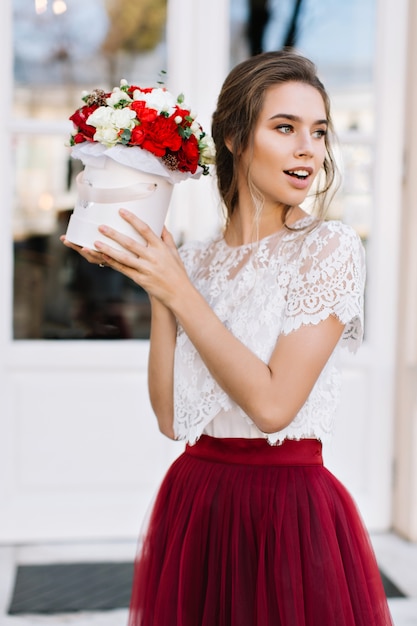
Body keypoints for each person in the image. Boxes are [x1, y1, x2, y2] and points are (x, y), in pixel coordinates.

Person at [62, 50, 393, 625]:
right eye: (285, 128)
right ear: (236, 138)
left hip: (285, 512)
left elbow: (272, 407)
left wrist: (179, 290)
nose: (307, 148)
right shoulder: (195, 261)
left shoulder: (328, 249)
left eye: (317, 132)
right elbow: (171, 420)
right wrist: (161, 285)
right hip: (197, 504)